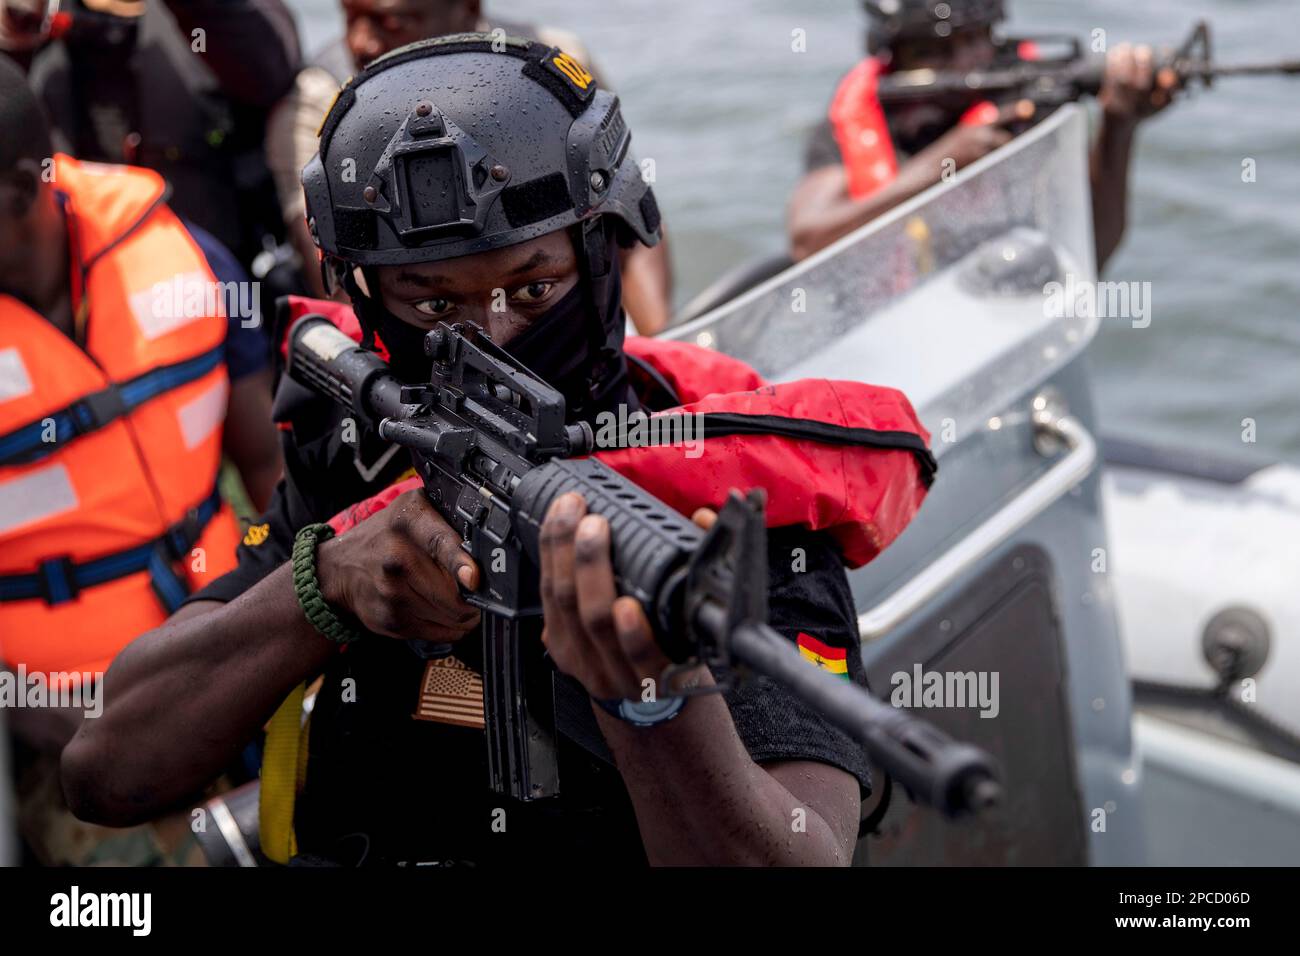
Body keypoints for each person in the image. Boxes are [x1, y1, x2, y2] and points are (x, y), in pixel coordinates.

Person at [62, 35, 939, 867]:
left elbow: (798, 852)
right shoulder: (363, 457)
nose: (493, 335)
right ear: (366, 297)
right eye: (432, 305)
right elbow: (103, 773)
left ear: (603, 260)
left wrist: (653, 699)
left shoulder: (729, 498)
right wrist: (325, 585)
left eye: (535, 287)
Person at [0, 55, 281, 863]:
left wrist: (294, 647)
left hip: (233, 654)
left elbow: (267, 469)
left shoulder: (186, 264)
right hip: (66, 726)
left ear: (18, 194)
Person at [265, 0, 674, 334]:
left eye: (390, 21)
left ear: (467, 8)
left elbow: (625, 207)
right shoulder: (320, 104)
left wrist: (660, 336)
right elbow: (332, 258)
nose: (362, 42)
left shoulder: (554, 69)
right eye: (349, 17)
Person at [788, 0, 1178, 269]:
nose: (963, 64)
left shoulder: (1027, 109)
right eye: (934, 51)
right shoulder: (867, 120)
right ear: (895, 59)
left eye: (975, 40)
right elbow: (808, 239)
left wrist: (1119, 127)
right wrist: (943, 165)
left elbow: (1091, 253)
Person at [9, 0, 301, 273]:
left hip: (210, 283)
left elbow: (274, 72)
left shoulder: (210, 27)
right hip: (70, 289)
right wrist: (13, 31)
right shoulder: (37, 28)